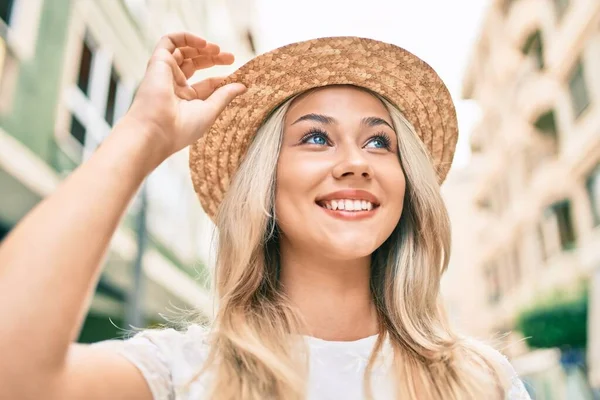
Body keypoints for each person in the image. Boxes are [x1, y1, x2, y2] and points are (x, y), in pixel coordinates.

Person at [0, 33, 531, 400]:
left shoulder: (480, 381)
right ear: (265, 184)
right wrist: (144, 136)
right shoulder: (182, 373)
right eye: (316, 137)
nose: (354, 163)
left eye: (378, 141)